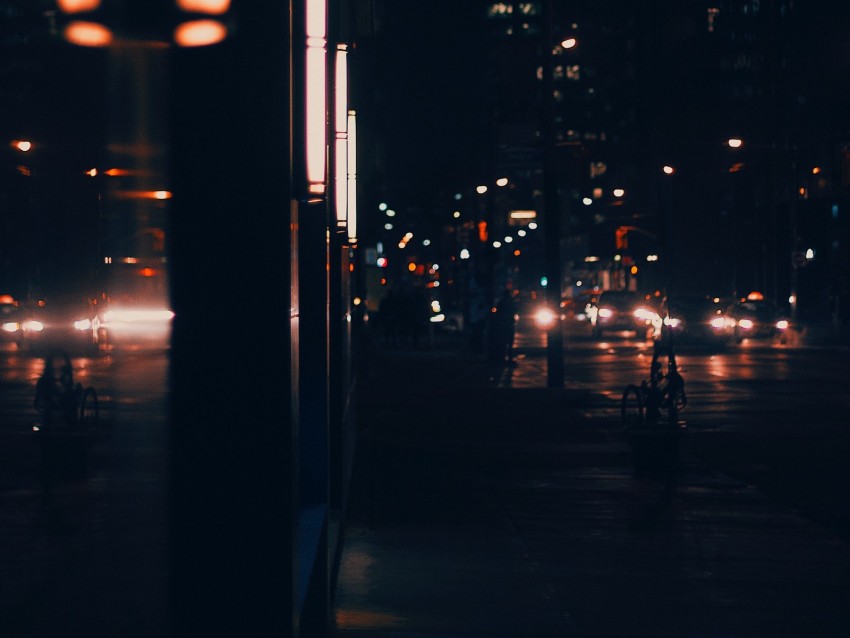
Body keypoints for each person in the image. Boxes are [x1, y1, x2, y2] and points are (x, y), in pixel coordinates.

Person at [490, 289, 518, 364]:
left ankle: (502, 358)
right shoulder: (511, 302)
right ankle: (509, 358)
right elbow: (515, 310)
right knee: (510, 342)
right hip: (509, 323)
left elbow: (498, 312)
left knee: (503, 342)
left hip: (503, 324)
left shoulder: (501, 302)